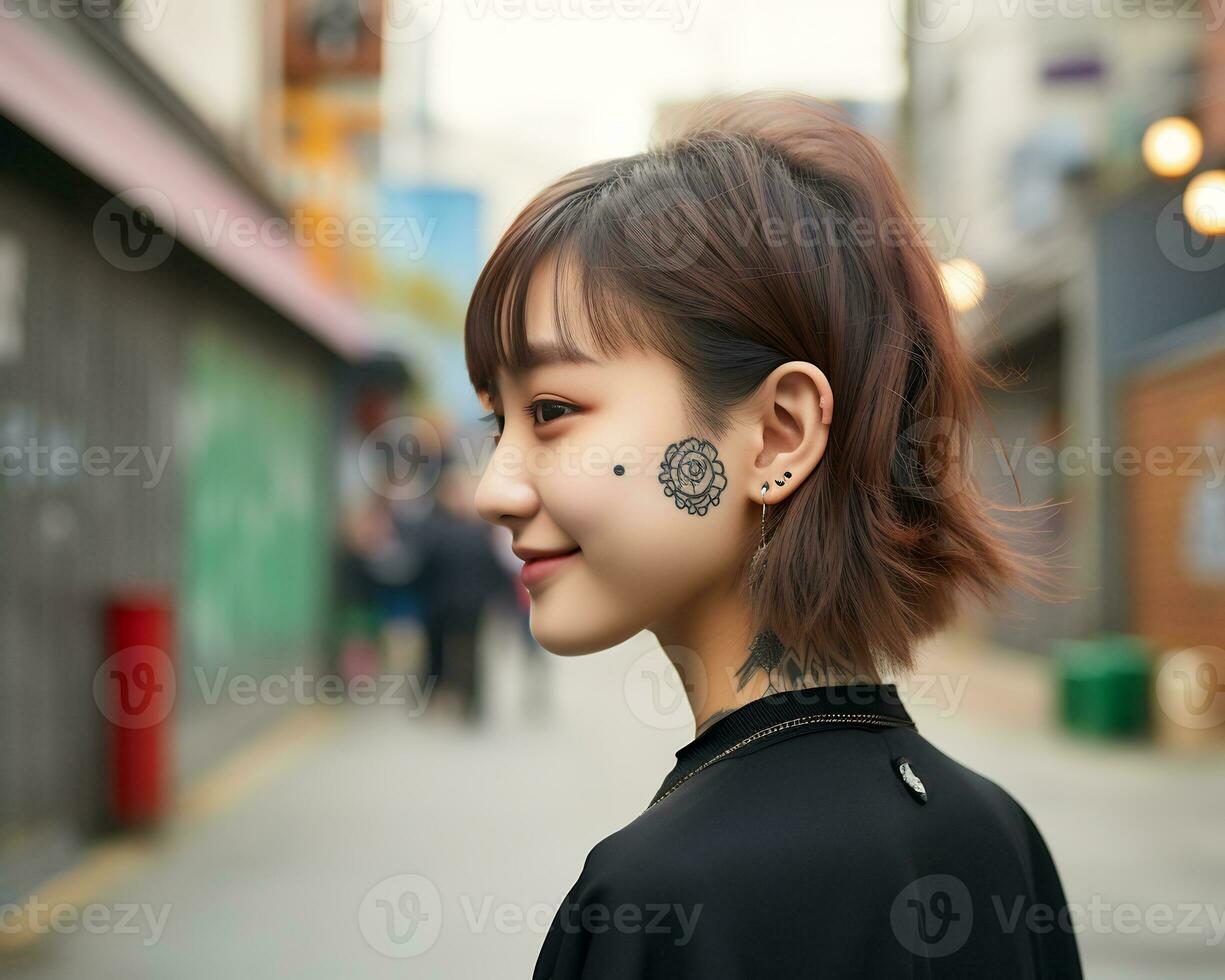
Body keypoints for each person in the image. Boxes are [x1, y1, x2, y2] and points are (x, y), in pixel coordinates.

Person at [464, 91, 1082, 977]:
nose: (494, 489)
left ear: (779, 435)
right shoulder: (1000, 838)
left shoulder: (655, 894)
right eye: (498, 426)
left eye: (553, 411)